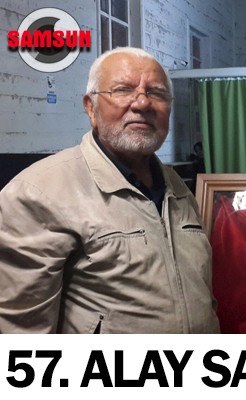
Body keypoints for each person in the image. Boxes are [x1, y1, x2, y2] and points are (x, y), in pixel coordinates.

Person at [0, 47, 220, 333]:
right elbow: (20, 335)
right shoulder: (38, 192)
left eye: (157, 93)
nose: (142, 102)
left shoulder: (177, 187)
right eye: (122, 90)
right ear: (91, 107)